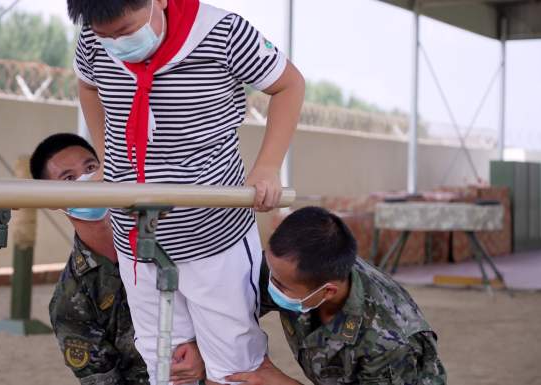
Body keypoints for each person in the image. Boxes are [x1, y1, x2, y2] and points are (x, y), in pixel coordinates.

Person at [66, 0, 305, 382]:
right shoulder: (94, 40)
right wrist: (107, 156)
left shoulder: (222, 33)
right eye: (105, 35)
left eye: (126, 31)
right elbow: (87, 84)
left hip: (213, 235)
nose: (115, 43)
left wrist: (267, 165)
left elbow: (289, 84)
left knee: (234, 367)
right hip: (136, 240)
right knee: (167, 364)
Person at [30, 133, 204, 385]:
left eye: (91, 168)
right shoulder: (72, 300)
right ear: (51, 200)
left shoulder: (174, 238)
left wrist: (207, 351)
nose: (88, 181)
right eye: (69, 178)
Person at [227, 207, 447, 385]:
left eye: (281, 285)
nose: (269, 285)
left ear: (328, 291)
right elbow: (228, 304)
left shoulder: (389, 339)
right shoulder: (289, 269)